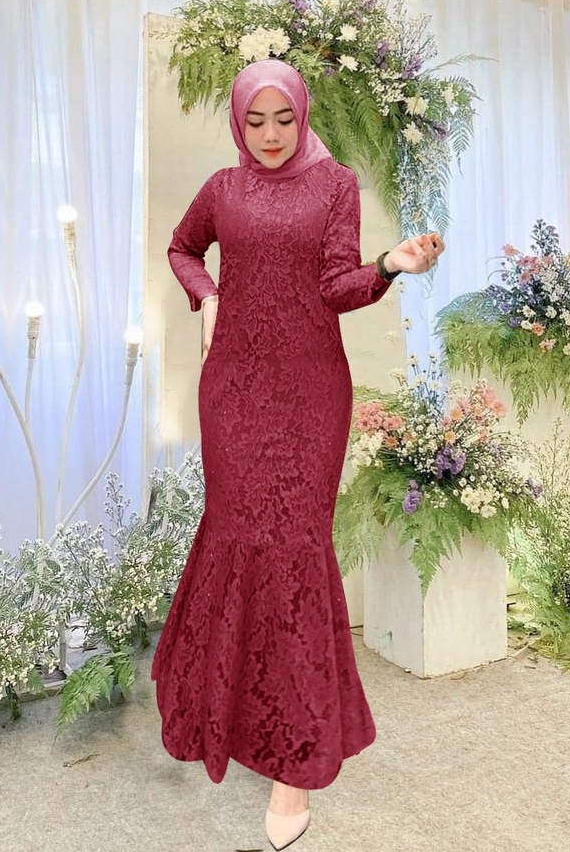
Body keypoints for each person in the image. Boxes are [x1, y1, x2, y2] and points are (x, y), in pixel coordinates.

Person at [151, 58, 443, 851]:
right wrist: (208, 298)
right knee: (239, 539)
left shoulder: (335, 184)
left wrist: (389, 265)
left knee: (294, 553)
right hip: (234, 391)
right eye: (256, 121)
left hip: (311, 393)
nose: (271, 134)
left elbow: (335, 287)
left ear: (302, 115)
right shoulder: (222, 189)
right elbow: (182, 249)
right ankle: (229, 712)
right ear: (239, 122)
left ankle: (294, 763)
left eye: (284, 118)